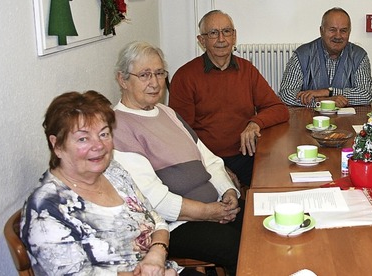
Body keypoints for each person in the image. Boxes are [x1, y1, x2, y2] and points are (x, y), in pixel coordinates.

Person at [111, 41, 243, 275]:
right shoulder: (118, 125)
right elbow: (153, 199)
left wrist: (228, 193)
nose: (154, 82)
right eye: (144, 75)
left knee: (260, 224)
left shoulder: (167, 112)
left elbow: (210, 160)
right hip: (176, 225)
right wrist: (209, 211)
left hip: (214, 208)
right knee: (241, 247)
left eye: (160, 73)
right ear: (122, 79)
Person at [21, 91, 178, 275]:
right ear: (57, 145)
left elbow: (156, 221)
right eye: (83, 138)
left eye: (104, 134)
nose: (99, 146)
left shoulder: (113, 171)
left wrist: (157, 253)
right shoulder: (47, 208)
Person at [169, 10, 289, 187]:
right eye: (213, 33)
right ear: (201, 40)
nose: (221, 39)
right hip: (206, 159)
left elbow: (279, 109)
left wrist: (255, 123)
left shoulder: (247, 70)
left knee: (278, 182)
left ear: (234, 37)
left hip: (247, 154)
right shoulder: (185, 76)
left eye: (227, 31)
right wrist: (217, 167)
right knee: (228, 206)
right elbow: (182, 135)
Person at [278, 7, 372, 108]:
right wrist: (323, 102)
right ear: (321, 31)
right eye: (332, 30)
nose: (338, 36)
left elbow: (366, 95)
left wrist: (328, 92)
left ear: (349, 32)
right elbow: (285, 94)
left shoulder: (359, 56)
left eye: (343, 31)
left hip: (346, 120)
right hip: (310, 119)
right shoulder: (302, 54)